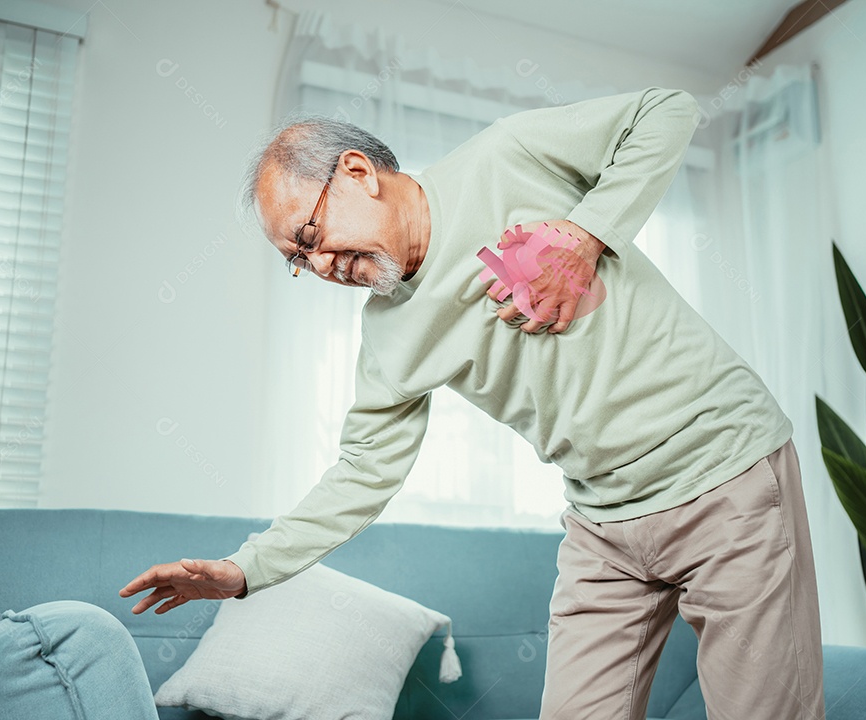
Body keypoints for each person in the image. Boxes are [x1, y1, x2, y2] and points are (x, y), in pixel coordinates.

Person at [120, 87, 826, 720]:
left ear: (359, 174)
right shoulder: (389, 337)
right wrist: (245, 571)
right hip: (606, 524)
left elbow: (666, 111)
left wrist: (585, 235)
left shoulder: (503, 158)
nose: (320, 267)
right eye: (298, 263)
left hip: (724, 473)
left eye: (309, 238)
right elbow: (363, 472)